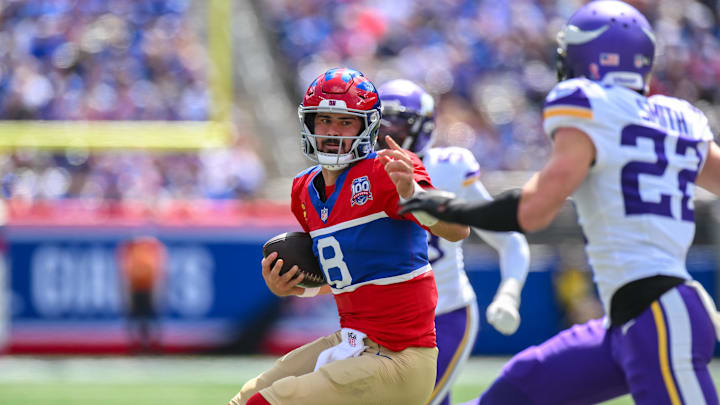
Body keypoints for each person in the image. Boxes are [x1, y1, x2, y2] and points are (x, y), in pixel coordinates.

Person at [399, 1, 720, 404]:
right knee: (516, 390)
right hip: (629, 320)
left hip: (659, 314)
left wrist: (448, 208)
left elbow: (533, 210)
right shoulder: (679, 116)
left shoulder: (588, 103)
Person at [229, 67, 470, 405]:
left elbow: (458, 229)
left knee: (272, 401)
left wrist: (414, 193)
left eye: (345, 122)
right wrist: (295, 286)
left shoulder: (390, 169)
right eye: (324, 120)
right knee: (247, 397)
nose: (332, 132)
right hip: (352, 341)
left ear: (367, 125)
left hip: (400, 358)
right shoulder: (303, 189)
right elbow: (343, 276)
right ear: (309, 123)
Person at [376, 78, 531, 405]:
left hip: (443, 315)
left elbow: (507, 237)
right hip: (382, 324)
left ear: (423, 129)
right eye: (379, 126)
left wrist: (509, 291)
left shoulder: (448, 168)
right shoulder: (359, 175)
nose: (386, 137)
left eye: (398, 127)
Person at [117, 235, 167, 354]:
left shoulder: (152, 251)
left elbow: (158, 274)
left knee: (149, 318)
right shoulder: (131, 252)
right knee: (137, 318)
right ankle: (137, 345)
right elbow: (125, 274)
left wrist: (158, 291)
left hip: (147, 289)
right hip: (136, 289)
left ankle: (152, 345)